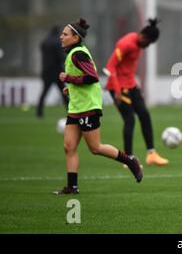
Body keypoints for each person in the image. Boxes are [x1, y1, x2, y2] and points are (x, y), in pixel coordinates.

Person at [53, 18, 143, 195]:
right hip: (76, 108)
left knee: (95, 148)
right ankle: (72, 187)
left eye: (65, 34)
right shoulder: (73, 54)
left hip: (88, 107)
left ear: (76, 37)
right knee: (69, 147)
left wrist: (68, 79)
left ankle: (130, 160)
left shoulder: (79, 54)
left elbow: (92, 77)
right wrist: (70, 88)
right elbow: (83, 79)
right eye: (62, 33)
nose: (61, 37)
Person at [105, 19, 168, 166]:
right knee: (130, 120)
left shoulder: (139, 43)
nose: (147, 46)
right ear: (143, 36)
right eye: (147, 42)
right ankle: (128, 159)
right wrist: (117, 91)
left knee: (144, 115)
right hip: (119, 87)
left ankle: (151, 154)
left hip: (131, 85)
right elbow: (110, 67)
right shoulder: (126, 44)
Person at [36, 25, 69, 118]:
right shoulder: (57, 42)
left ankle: (39, 112)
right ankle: (70, 111)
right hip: (57, 72)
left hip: (46, 71)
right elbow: (61, 56)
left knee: (44, 93)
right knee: (64, 92)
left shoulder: (45, 42)